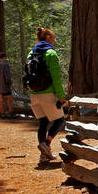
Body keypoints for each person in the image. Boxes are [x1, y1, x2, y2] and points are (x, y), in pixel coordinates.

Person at [23, 27, 67, 167]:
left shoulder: (31, 53)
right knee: (60, 120)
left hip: (34, 94)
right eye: (53, 38)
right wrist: (61, 97)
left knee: (43, 122)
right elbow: (56, 78)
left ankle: (44, 156)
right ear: (48, 38)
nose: (54, 41)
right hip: (48, 93)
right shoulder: (51, 54)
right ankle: (46, 144)